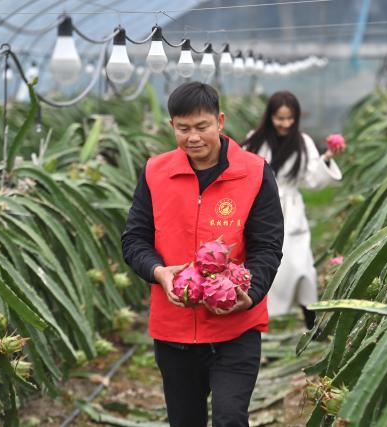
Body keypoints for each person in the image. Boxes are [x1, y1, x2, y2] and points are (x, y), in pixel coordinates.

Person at [121, 82, 284, 427]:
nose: (193, 137)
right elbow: (134, 240)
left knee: (229, 418)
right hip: (174, 330)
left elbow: (267, 247)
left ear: (220, 121)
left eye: (202, 127)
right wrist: (159, 272)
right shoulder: (155, 172)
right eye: (183, 129)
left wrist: (249, 294)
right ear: (172, 127)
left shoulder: (254, 172)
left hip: (235, 328)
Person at [243, 91, 344, 330]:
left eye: (290, 118)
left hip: (291, 212)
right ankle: (253, 319)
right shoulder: (254, 141)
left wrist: (327, 158)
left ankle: (312, 323)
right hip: (260, 209)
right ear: (270, 117)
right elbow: (242, 171)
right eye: (280, 118)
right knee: (261, 264)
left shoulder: (303, 142)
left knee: (302, 268)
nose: (285, 124)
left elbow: (311, 179)